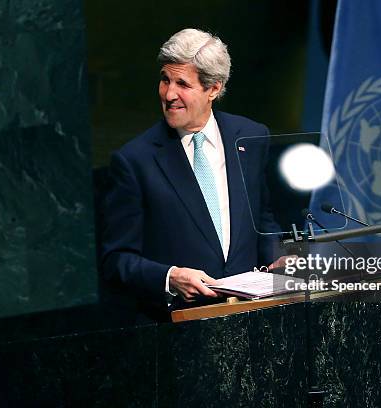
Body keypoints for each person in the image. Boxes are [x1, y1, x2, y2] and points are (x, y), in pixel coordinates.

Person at [100, 28, 279, 322]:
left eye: (182, 83)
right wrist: (170, 277)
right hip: (180, 329)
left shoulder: (250, 137)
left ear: (214, 89)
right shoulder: (134, 160)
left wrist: (280, 256)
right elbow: (116, 260)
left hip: (252, 321)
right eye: (165, 79)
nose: (169, 94)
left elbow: (262, 221)